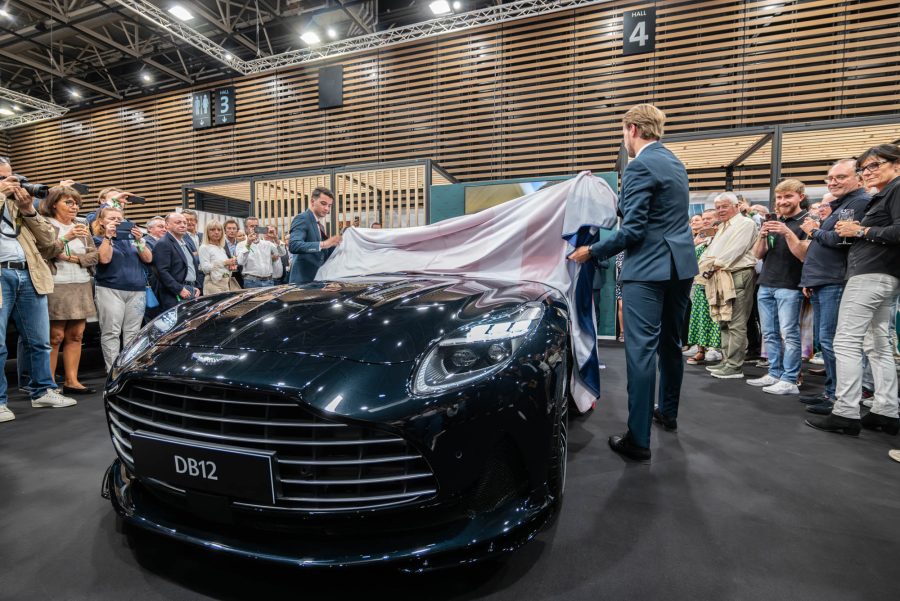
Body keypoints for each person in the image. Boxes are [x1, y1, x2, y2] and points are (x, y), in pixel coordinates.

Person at [567, 104, 697, 461]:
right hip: (680, 267)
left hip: (649, 269)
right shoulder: (673, 162)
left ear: (633, 129)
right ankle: (667, 413)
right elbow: (649, 213)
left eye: (623, 132)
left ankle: (638, 439)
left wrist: (591, 251)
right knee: (671, 345)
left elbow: (634, 229)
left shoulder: (640, 165)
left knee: (641, 353)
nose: (623, 139)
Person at [806, 143, 900, 437]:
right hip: (882, 275)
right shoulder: (885, 194)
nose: (868, 172)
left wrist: (860, 230)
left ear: (896, 164)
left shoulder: (895, 189)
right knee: (878, 343)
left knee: (847, 341)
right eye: (865, 168)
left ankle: (845, 411)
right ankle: (886, 410)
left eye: (875, 165)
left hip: (870, 276)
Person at [0, 158, 79, 423]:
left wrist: (29, 210)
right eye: (3, 178)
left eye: (11, 177)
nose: (12, 183)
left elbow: (48, 241)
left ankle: (42, 390)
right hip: (1, 274)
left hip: (28, 272)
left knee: (39, 340)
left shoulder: (17, 205)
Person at [797, 160, 871, 414]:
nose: (833, 181)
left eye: (840, 176)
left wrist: (814, 230)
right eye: (830, 178)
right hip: (821, 281)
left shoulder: (859, 203)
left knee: (832, 341)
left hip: (834, 280)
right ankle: (831, 392)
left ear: (859, 179)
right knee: (825, 340)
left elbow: (842, 241)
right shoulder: (843, 205)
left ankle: (840, 396)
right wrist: (809, 281)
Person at [746, 179, 809, 395]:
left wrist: (786, 232)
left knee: (789, 334)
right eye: (779, 198)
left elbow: (803, 254)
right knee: (770, 333)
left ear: (800, 197)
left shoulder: (807, 221)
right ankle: (774, 372)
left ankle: (790, 378)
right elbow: (757, 255)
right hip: (766, 283)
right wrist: (763, 235)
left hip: (790, 285)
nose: (782, 201)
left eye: (788, 196)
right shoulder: (774, 221)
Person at [40, 187, 99, 394]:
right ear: (54, 203)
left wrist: (73, 258)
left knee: (77, 335)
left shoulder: (82, 225)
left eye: (76, 203)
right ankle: (48, 384)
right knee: (54, 336)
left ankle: (72, 381)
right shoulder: (46, 224)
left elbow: (94, 257)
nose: (74, 207)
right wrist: (66, 238)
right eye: (69, 202)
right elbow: (45, 251)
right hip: (57, 284)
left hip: (81, 283)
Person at [698, 193, 758, 379]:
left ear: (737, 205)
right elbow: (711, 252)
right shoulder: (723, 226)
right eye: (718, 207)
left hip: (736, 274)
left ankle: (734, 366)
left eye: (724, 206)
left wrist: (707, 268)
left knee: (736, 322)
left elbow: (732, 253)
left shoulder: (745, 224)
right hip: (720, 275)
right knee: (724, 320)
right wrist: (708, 266)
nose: (720, 210)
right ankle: (727, 361)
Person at [93, 206, 152, 371]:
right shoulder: (98, 239)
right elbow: (104, 259)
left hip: (137, 290)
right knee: (111, 331)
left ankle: (129, 367)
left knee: (133, 333)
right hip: (110, 288)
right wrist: (108, 237)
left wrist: (140, 241)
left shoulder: (132, 240)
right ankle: (113, 370)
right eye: (111, 219)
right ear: (101, 222)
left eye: (120, 219)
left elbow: (148, 258)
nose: (117, 222)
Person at [685, 214, 721, 365]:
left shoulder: (721, 240)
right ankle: (700, 349)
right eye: (704, 218)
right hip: (699, 283)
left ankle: (715, 348)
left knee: (715, 316)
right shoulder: (701, 240)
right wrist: (695, 242)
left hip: (716, 283)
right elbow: (690, 257)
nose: (706, 221)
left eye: (708, 218)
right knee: (699, 315)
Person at [288, 187, 342, 284]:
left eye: (329, 206)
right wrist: (324, 244)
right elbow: (294, 245)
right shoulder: (302, 218)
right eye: (323, 204)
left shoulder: (319, 225)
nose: (327, 209)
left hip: (316, 280)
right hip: (302, 282)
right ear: (312, 202)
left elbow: (322, 252)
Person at [151, 213, 201, 312]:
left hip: (190, 289)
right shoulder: (163, 243)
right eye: (178, 222)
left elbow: (191, 267)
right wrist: (179, 289)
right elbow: (161, 271)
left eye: (184, 223)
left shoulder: (184, 243)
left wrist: (196, 286)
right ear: (167, 225)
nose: (183, 225)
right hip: (174, 293)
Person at [236, 221, 285, 288]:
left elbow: (282, 253)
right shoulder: (241, 244)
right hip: (251, 282)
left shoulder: (267, 243)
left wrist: (276, 238)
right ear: (246, 229)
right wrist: (248, 244)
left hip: (269, 282)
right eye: (252, 226)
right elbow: (241, 262)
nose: (254, 228)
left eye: (256, 226)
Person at [199, 220, 240, 295]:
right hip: (213, 285)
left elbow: (222, 268)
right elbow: (205, 268)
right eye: (212, 229)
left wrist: (230, 266)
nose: (216, 232)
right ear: (207, 232)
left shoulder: (221, 248)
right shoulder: (204, 247)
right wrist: (224, 263)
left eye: (219, 230)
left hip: (225, 283)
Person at [223, 218, 244, 288]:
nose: (231, 231)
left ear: (237, 230)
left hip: (239, 275)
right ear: (225, 230)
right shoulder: (220, 244)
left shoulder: (241, 244)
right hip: (225, 275)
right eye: (229, 228)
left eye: (234, 228)